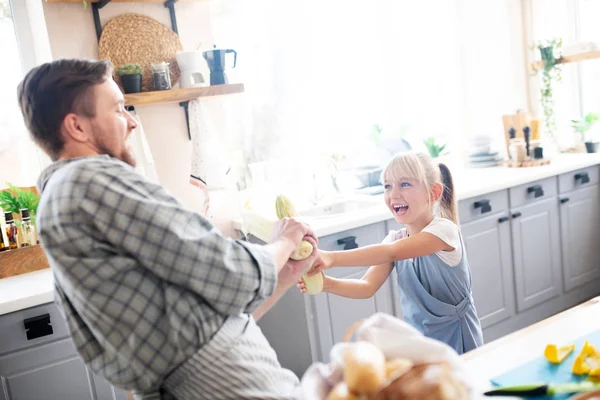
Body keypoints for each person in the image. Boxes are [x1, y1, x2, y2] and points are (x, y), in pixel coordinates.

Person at [18, 58, 318, 400]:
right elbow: (229, 274)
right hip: (228, 381)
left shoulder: (57, 204)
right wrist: (285, 240)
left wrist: (287, 271)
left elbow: (191, 321)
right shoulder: (89, 179)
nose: (131, 121)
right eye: (118, 109)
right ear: (77, 127)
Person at [299, 151, 483, 354]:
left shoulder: (444, 231)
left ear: (434, 193)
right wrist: (327, 284)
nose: (393, 194)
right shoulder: (395, 239)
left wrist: (330, 257)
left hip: (459, 340)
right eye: (387, 186)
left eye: (405, 184)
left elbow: (391, 253)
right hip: (420, 342)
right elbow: (366, 287)